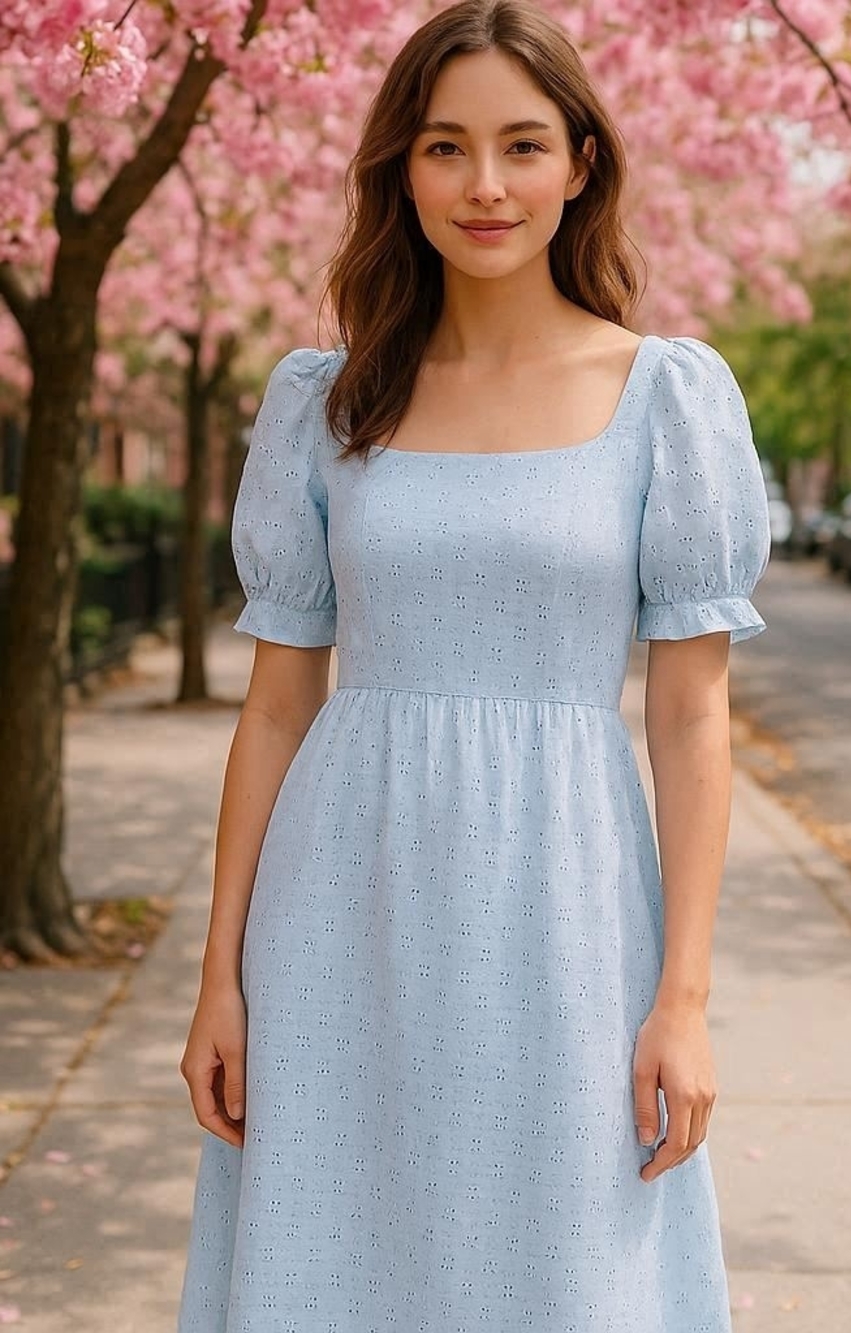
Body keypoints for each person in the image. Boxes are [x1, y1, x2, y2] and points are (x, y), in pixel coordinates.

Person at [177, 1, 771, 1329]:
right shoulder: (324, 405)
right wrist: (220, 974)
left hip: (569, 905)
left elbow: (690, 721)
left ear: (581, 164)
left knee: (562, 1260)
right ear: (404, 169)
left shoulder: (665, 399)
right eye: (446, 148)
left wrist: (684, 996)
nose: (486, 185)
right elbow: (276, 711)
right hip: (340, 902)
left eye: (521, 145)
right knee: (338, 1253)